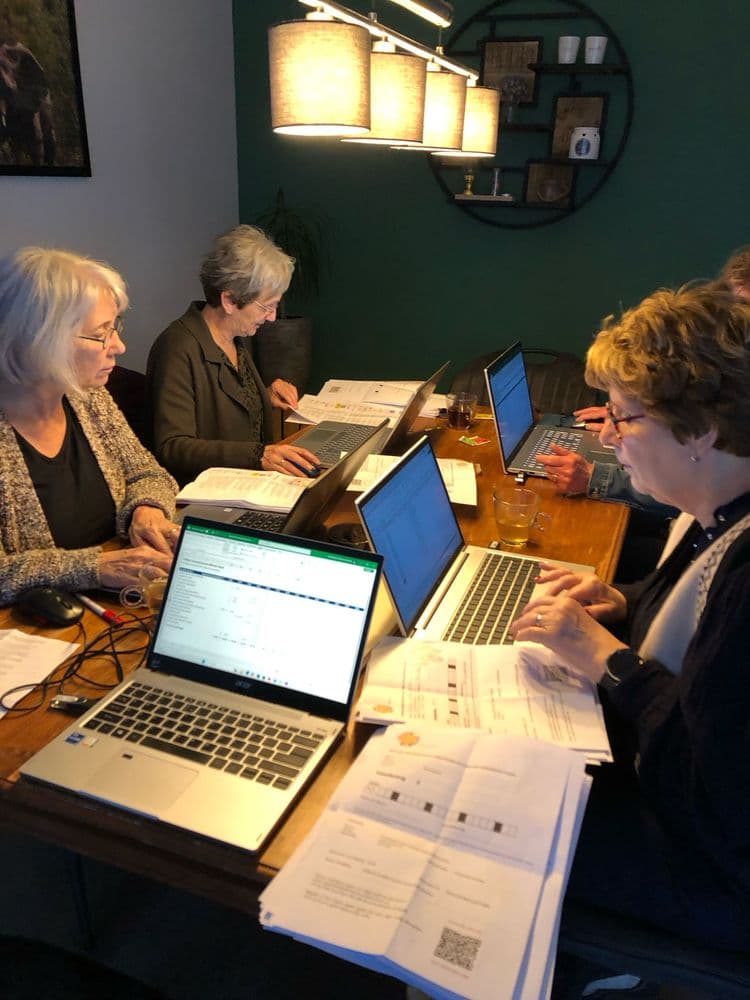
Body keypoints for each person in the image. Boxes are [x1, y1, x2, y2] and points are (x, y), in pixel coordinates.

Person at [511, 283, 750, 950]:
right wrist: (624, 600)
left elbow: (708, 790)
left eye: (624, 418)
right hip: (683, 806)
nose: (609, 438)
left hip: (713, 868)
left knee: (491, 816)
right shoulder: (717, 513)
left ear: (700, 431)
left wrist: (607, 659)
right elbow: (694, 619)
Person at [0, 247, 178, 607]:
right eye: (101, 334)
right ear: (41, 340)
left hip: (121, 603)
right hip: (42, 631)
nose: (119, 346)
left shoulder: (88, 399)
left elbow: (147, 473)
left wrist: (146, 510)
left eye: (115, 328)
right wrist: (95, 567)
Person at [147, 224, 320, 485]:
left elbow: (224, 404)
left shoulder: (233, 338)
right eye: (266, 307)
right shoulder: (177, 348)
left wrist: (264, 395)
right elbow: (173, 447)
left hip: (247, 485)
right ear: (229, 300)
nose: (272, 317)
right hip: (206, 494)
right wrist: (259, 455)